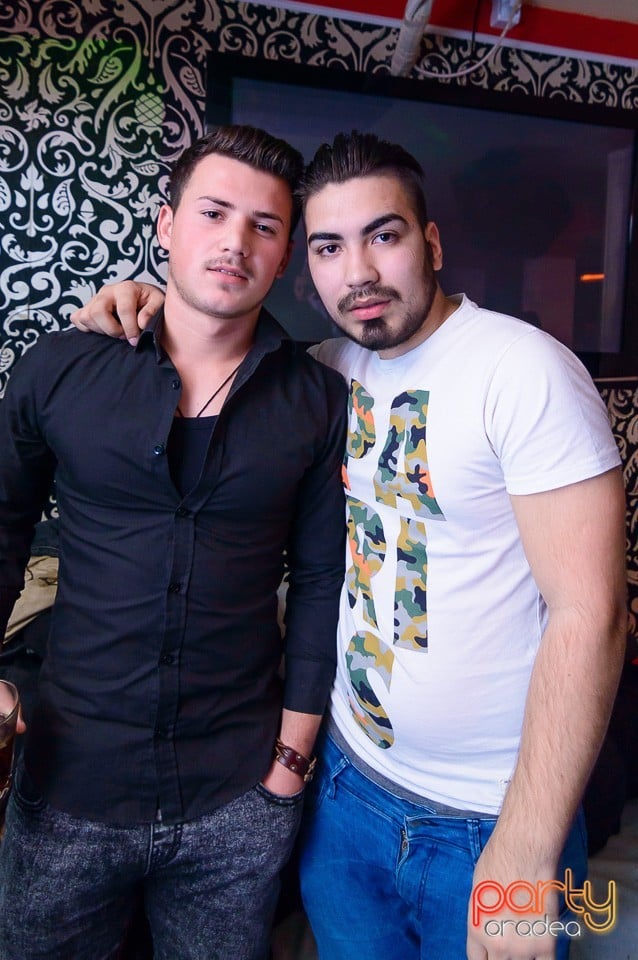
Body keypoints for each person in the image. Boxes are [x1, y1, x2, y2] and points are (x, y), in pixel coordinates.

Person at [70, 131, 627, 960]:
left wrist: (527, 847)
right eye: (329, 246)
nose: (358, 271)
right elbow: (210, 342)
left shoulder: (523, 371)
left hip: (489, 820)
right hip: (345, 793)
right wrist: (137, 304)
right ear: (307, 267)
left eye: (384, 235)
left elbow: (593, 614)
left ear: (431, 243)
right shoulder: (327, 372)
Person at [0, 124, 348, 960]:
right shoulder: (60, 368)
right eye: (213, 213)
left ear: (285, 254)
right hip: (68, 787)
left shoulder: (317, 398)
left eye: (264, 226)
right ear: (166, 224)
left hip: (236, 800)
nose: (235, 242)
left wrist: (288, 769)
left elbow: (319, 581)